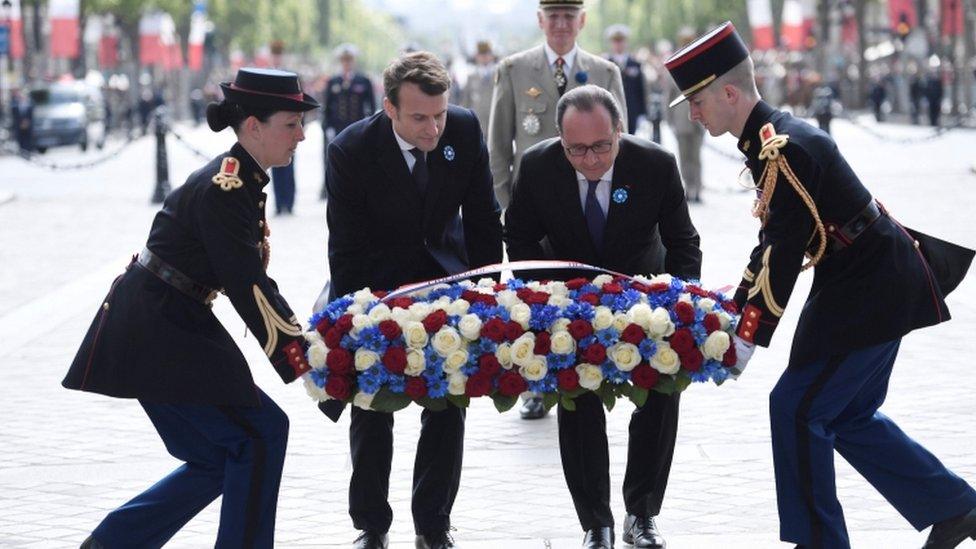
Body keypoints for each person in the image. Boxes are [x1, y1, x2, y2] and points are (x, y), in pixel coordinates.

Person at [665, 22, 976, 549]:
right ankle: (956, 508)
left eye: (696, 101)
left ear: (730, 92)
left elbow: (781, 255)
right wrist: (727, 308)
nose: (692, 114)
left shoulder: (782, 148)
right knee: (846, 413)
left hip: (869, 286)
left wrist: (743, 338)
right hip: (869, 278)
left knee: (798, 408)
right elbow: (772, 246)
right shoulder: (771, 142)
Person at [62, 67, 319, 548]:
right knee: (260, 435)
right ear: (254, 127)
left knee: (222, 453)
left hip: (165, 321)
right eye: (291, 123)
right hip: (161, 327)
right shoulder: (229, 188)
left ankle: (114, 542)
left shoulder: (243, 178)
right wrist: (303, 358)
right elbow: (249, 286)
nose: (302, 136)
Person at [505, 85, 701, 549]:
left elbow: (684, 242)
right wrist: (549, 296)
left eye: (601, 146)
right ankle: (596, 522)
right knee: (578, 406)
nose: (590, 160)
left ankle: (643, 514)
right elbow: (519, 237)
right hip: (569, 305)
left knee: (659, 397)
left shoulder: (655, 164)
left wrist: (678, 302)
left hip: (643, 300)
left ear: (620, 131)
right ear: (559, 139)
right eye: (576, 149)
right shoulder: (537, 166)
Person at [323, 51, 503, 549]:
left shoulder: (464, 130)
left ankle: (433, 524)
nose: (434, 128)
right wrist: (358, 318)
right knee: (372, 406)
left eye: (440, 114)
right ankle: (371, 525)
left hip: (446, 283)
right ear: (390, 109)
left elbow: (484, 219)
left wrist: (489, 297)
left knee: (447, 405)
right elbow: (346, 245)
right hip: (376, 286)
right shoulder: (350, 150)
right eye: (420, 118)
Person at [488, 0, 627, 420]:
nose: (562, 25)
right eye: (554, 16)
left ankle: (594, 370)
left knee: (589, 297)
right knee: (537, 303)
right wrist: (507, 211)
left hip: (591, 209)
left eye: (570, 16)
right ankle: (536, 383)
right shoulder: (513, 70)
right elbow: (499, 148)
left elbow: (624, 145)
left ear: (582, 20)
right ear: (540, 20)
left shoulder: (606, 74)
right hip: (535, 215)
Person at [320, 43, 376, 199]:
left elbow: (370, 107)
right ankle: (331, 187)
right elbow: (327, 107)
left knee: (357, 158)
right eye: (344, 60)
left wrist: (369, 126)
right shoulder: (333, 81)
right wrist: (327, 127)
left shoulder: (363, 81)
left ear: (354, 61)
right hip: (337, 127)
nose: (346, 63)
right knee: (334, 158)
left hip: (357, 127)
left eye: (349, 60)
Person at [666, 27, 706, 203]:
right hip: (681, 119)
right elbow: (668, 95)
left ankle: (697, 188)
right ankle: (689, 188)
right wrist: (669, 119)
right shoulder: (673, 65)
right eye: (684, 41)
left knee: (696, 156)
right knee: (684, 157)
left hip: (699, 119)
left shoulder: (700, 64)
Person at [604, 24, 647, 136]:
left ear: (626, 42)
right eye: (615, 41)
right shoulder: (605, 64)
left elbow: (641, 90)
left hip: (632, 111)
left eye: (621, 41)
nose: (618, 44)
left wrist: (642, 113)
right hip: (611, 111)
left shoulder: (635, 63)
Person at [460, 39, 497, 133]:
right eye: (481, 54)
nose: (484, 57)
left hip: (496, 121)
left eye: (487, 53)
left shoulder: (500, 75)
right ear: (477, 56)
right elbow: (466, 103)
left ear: (492, 55)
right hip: (477, 124)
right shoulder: (471, 77)